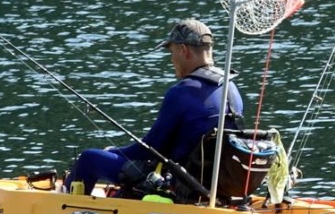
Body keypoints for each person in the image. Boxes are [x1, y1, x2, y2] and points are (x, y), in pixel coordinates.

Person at [63, 18, 244, 196]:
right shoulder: (231, 89)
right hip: (213, 184)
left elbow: (149, 148)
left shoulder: (183, 91)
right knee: (128, 188)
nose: (172, 59)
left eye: (172, 52)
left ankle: (61, 207)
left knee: (89, 159)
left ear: (183, 50)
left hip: (178, 185)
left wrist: (113, 152)